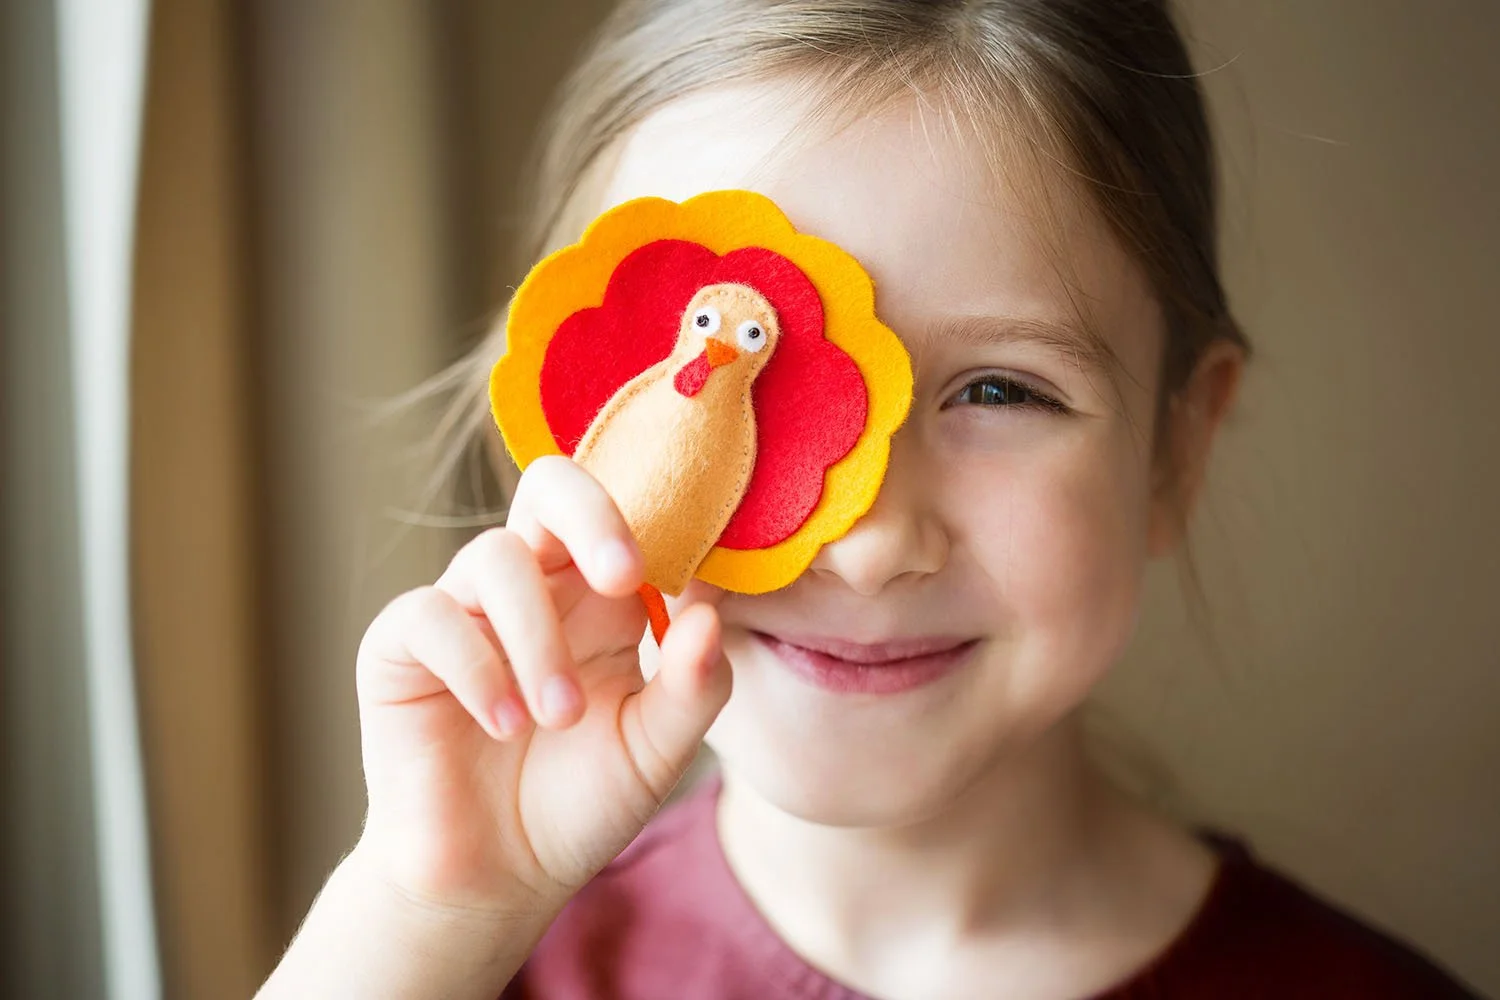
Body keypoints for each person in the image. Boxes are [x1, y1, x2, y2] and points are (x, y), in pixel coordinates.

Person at [256, 2, 1484, 997]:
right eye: (765, 388)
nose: (865, 542)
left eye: (999, 389)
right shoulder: (476, 963)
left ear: (1177, 447)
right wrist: (427, 913)